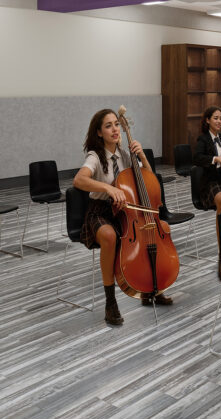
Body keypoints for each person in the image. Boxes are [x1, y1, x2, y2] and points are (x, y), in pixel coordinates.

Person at [72, 108, 172, 327]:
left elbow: (149, 183)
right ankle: (110, 302)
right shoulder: (95, 156)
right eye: (108, 126)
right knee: (109, 236)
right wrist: (108, 189)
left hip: (127, 212)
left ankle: (151, 288)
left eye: (116, 124)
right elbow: (79, 180)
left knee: (159, 227)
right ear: (99, 132)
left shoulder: (126, 155)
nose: (115, 129)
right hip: (100, 212)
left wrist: (143, 158)